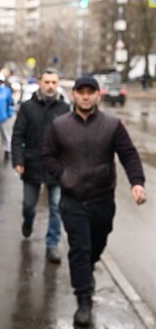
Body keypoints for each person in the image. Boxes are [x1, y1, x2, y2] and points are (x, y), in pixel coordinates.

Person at [43, 76, 146, 326]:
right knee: (80, 249)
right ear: (75, 95)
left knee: (95, 246)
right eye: (81, 92)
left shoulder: (112, 125)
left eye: (91, 92)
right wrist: (64, 175)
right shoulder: (60, 125)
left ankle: (87, 272)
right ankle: (83, 300)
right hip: (72, 200)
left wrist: (137, 182)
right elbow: (47, 156)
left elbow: (128, 154)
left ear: (98, 95)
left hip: (102, 200)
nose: (86, 96)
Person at [11, 68, 70, 264]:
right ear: (40, 83)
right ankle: (28, 221)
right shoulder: (28, 107)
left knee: (56, 207)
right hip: (32, 165)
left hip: (56, 169)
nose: (50, 86)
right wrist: (18, 160)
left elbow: (71, 139)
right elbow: (17, 135)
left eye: (54, 82)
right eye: (47, 82)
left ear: (57, 83)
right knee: (29, 205)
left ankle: (52, 245)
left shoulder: (64, 109)